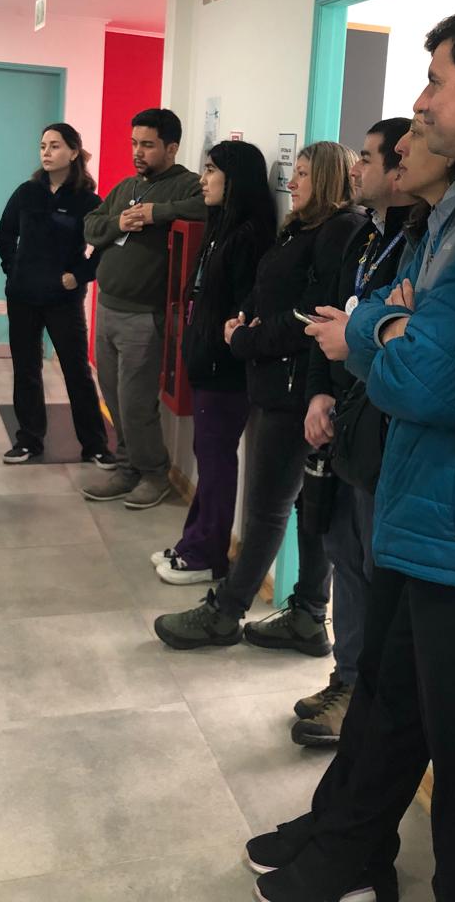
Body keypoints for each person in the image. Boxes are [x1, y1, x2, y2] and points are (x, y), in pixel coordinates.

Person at [246, 7, 455, 902]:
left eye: (433, 81)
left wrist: (376, 328)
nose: (417, 105)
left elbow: (427, 377)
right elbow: (398, 314)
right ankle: (348, 846)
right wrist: (393, 321)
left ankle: (357, 853)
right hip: (422, 504)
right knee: (388, 701)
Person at [153, 140, 363, 653]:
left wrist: (247, 339)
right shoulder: (301, 229)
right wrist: (243, 318)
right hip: (278, 383)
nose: (292, 182)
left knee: (269, 509)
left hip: (295, 391)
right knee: (306, 506)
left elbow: (313, 315)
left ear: (328, 179)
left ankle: (226, 612)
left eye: (304, 174)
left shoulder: (339, 231)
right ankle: (308, 614)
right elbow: (271, 292)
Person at [292, 117, 419, 747]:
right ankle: (345, 679)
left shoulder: (419, 241)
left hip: (383, 423)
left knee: (373, 563)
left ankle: (366, 698)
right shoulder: (365, 237)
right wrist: (319, 390)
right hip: (344, 414)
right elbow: (327, 317)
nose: (357, 168)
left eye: (368, 157)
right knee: (342, 551)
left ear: (400, 169)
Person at [152, 140, 276, 585]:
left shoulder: (250, 235)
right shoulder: (221, 225)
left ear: (234, 178)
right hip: (207, 361)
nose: (202, 179)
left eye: (210, 170)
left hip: (226, 369)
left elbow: (242, 307)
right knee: (207, 457)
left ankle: (208, 555)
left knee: (216, 460)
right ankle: (194, 540)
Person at [81, 108, 205, 509]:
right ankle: (126, 468)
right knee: (114, 399)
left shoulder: (187, 185)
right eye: (134, 143)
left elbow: (207, 207)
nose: (137, 152)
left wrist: (157, 214)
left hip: (144, 314)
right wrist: (120, 223)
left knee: (136, 404)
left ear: (171, 147)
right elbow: (91, 225)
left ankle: (154, 473)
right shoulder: (126, 187)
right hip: (107, 308)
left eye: (147, 145)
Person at [0, 123, 113, 468]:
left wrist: (80, 275)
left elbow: (105, 246)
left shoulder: (88, 201)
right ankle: (29, 440)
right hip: (23, 296)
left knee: (76, 371)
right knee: (26, 369)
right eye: (43, 146)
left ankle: (95, 445)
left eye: (55, 146)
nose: (46, 152)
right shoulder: (27, 192)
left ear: (73, 152)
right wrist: (13, 269)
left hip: (63, 299)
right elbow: (5, 233)